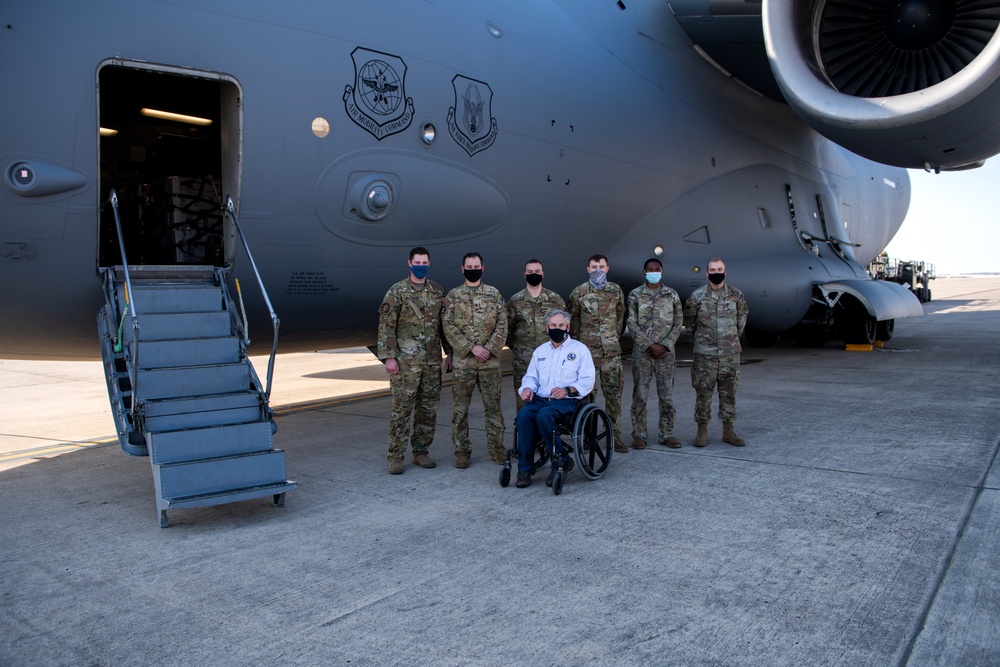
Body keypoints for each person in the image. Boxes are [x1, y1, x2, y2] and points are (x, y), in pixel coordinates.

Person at [377, 246, 453, 474]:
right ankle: (395, 456)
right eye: (417, 262)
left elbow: (444, 326)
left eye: (425, 262)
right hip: (406, 363)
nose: (421, 266)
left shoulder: (437, 291)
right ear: (409, 263)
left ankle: (421, 452)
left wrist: (449, 352)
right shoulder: (397, 291)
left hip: (431, 362)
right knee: (401, 410)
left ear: (429, 263)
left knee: (428, 409)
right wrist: (389, 357)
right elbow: (386, 325)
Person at [514, 310, 595, 488]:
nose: (557, 329)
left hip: (567, 401)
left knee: (544, 415)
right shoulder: (540, 351)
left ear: (568, 327)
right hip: (542, 399)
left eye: (560, 325)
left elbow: (588, 381)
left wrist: (567, 389)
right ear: (547, 327)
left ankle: (560, 461)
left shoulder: (580, 350)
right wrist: (527, 388)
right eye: (553, 326)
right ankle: (525, 468)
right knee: (524, 416)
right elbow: (531, 377)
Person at [442, 252, 508, 468]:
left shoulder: (493, 294)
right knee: (460, 409)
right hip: (464, 364)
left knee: (493, 408)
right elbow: (447, 326)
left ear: (482, 268)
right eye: (469, 266)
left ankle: (497, 449)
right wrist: (472, 348)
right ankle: (461, 451)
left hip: (489, 362)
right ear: (463, 269)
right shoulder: (453, 296)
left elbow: (502, 324)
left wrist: (488, 349)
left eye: (476, 265)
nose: (473, 269)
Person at [683, 257, 749, 447]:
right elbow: (690, 325)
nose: (716, 272)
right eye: (712, 270)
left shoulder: (736, 295)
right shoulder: (697, 297)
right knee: (703, 393)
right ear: (707, 273)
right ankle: (701, 432)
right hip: (705, 355)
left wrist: (730, 339)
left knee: (728, 393)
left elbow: (741, 320)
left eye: (719, 269)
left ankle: (728, 431)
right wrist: (703, 342)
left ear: (725, 271)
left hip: (730, 355)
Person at [567, 254, 626, 451]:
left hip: (611, 354)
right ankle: (588, 437)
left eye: (601, 266)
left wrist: (612, 338)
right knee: (586, 397)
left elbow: (620, 318)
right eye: (594, 266)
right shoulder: (579, 292)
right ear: (588, 269)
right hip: (588, 356)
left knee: (614, 396)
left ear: (608, 268)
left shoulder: (616, 291)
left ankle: (614, 436)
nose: (598, 269)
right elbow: (573, 322)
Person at [626, 257, 683, 449]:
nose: (653, 272)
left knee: (666, 396)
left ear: (662, 271)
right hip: (643, 354)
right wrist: (649, 345)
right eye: (650, 269)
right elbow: (631, 323)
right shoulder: (635, 295)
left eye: (657, 269)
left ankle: (667, 434)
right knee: (640, 395)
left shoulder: (672, 295)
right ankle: (639, 434)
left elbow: (678, 322)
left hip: (666, 354)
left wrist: (665, 344)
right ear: (644, 272)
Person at [506, 259, 565, 412]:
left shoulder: (555, 300)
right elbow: (507, 330)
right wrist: (520, 350)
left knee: (549, 405)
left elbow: (564, 328)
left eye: (537, 272)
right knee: (524, 406)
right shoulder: (515, 301)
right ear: (525, 274)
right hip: (524, 363)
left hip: (551, 363)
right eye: (530, 272)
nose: (534, 274)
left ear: (543, 274)